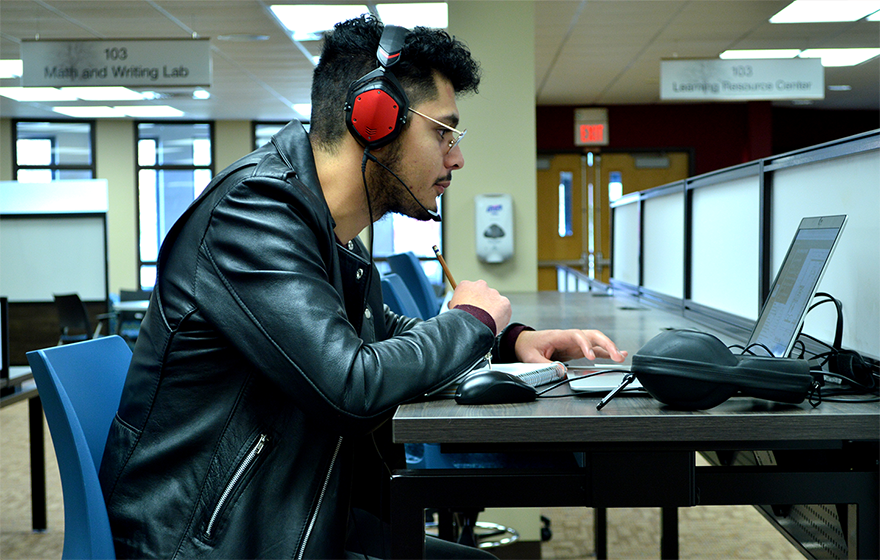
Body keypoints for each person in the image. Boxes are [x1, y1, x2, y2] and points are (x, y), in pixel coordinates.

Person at [99, 15, 627, 560]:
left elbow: (377, 331)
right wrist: (469, 321)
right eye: (443, 132)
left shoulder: (328, 229)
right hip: (210, 543)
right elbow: (350, 385)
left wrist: (504, 341)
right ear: (375, 119)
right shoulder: (252, 214)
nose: (457, 157)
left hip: (291, 516)